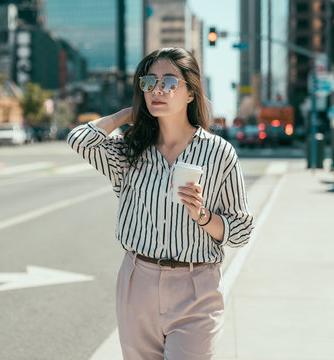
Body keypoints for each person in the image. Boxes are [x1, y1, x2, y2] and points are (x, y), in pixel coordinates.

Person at [67, 47, 254, 360]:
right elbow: (79, 140)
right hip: (137, 282)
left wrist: (203, 215)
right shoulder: (128, 151)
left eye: (168, 83)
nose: (157, 90)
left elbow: (242, 231)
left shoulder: (219, 154)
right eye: (149, 83)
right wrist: (130, 113)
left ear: (191, 94)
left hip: (197, 287)